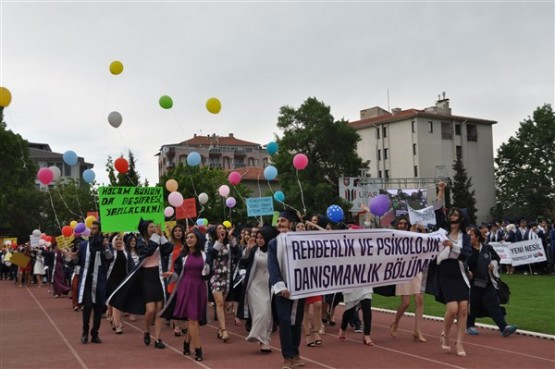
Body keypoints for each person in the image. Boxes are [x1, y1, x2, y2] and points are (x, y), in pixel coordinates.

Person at [107, 218, 173, 349]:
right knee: (151, 309)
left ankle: (158, 338)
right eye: (151, 227)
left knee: (160, 309)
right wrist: (156, 237)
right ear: (145, 229)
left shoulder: (157, 238)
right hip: (146, 277)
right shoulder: (141, 242)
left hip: (158, 276)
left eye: (154, 227)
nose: (154, 229)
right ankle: (147, 330)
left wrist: (162, 237)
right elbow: (147, 252)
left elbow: (168, 250)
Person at [426, 182, 471, 357]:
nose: (452, 216)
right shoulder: (441, 230)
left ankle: (460, 343)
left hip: (460, 272)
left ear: (460, 219)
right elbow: (437, 209)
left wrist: (453, 246)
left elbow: (466, 254)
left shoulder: (465, 237)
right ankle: (445, 336)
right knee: (452, 309)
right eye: (450, 214)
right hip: (445, 272)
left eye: (455, 214)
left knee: (463, 309)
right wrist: (442, 190)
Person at [160, 228, 210, 361]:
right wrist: (172, 274)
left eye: (192, 237)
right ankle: (198, 349)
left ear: (197, 239)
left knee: (195, 320)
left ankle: (187, 342)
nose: (189, 239)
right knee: (192, 319)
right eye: (187, 237)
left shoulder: (205, 255)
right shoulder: (183, 255)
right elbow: (177, 271)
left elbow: (209, 273)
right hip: (186, 289)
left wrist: (208, 270)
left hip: (199, 289)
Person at [268, 210, 306, 369]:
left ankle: (295, 353)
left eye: (283, 221)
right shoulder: (273, 243)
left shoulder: (302, 241)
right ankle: (287, 357)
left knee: (296, 323)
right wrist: (281, 286)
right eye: (278, 222)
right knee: (284, 321)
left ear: (291, 224)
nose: (280, 224)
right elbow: (273, 267)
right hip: (282, 290)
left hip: (299, 289)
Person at [465, 226, 517, 337]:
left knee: (493, 304)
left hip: (487, 282)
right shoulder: (466, 250)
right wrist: (467, 271)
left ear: (478, 237)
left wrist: (493, 265)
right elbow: (462, 264)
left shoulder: (487, 248)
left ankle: (504, 328)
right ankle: (469, 326)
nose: (469, 237)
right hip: (473, 284)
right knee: (473, 305)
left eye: (471, 235)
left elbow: (496, 259)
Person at [237, 226, 277, 353]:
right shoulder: (254, 250)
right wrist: (248, 250)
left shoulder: (275, 251)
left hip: (270, 286)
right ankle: (256, 335)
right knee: (262, 311)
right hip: (254, 285)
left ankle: (264, 341)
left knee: (268, 314)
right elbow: (242, 263)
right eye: (258, 237)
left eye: (262, 238)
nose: (259, 240)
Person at [389, 214, 427, 342]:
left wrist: (422, 231)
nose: (402, 226)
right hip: (402, 271)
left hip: (416, 269)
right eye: (400, 223)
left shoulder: (415, 235)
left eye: (405, 224)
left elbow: (426, 245)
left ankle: (417, 331)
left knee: (419, 299)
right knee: (405, 303)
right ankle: (395, 322)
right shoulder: (393, 237)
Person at [75, 221, 113, 344]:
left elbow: (110, 258)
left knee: (98, 308)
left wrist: (105, 247)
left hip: (100, 280)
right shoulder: (84, 245)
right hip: (87, 280)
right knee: (88, 306)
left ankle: (95, 333)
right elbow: (78, 261)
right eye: (91, 228)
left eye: (95, 228)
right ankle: (85, 331)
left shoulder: (104, 244)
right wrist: (71, 258)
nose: (92, 231)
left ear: (99, 230)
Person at [207, 223, 240, 343]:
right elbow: (212, 254)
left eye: (223, 228)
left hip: (227, 276)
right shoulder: (210, 244)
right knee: (219, 303)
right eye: (219, 228)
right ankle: (225, 330)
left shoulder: (229, 244)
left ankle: (221, 328)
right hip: (215, 277)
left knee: (225, 305)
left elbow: (238, 254)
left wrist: (231, 239)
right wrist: (220, 241)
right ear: (215, 232)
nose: (222, 230)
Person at [106, 233, 135, 334]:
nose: (119, 241)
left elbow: (131, 265)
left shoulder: (126, 252)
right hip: (111, 280)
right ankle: (116, 323)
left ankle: (115, 322)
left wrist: (133, 274)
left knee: (117, 303)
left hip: (122, 280)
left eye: (120, 239)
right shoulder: (110, 251)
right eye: (116, 239)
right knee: (113, 302)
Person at [166, 224, 187, 337]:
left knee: (183, 299)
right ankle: (176, 325)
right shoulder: (170, 246)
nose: (178, 232)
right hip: (172, 275)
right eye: (176, 231)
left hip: (185, 275)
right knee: (173, 300)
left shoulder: (187, 245)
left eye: (180, 230)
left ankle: (183, 322)